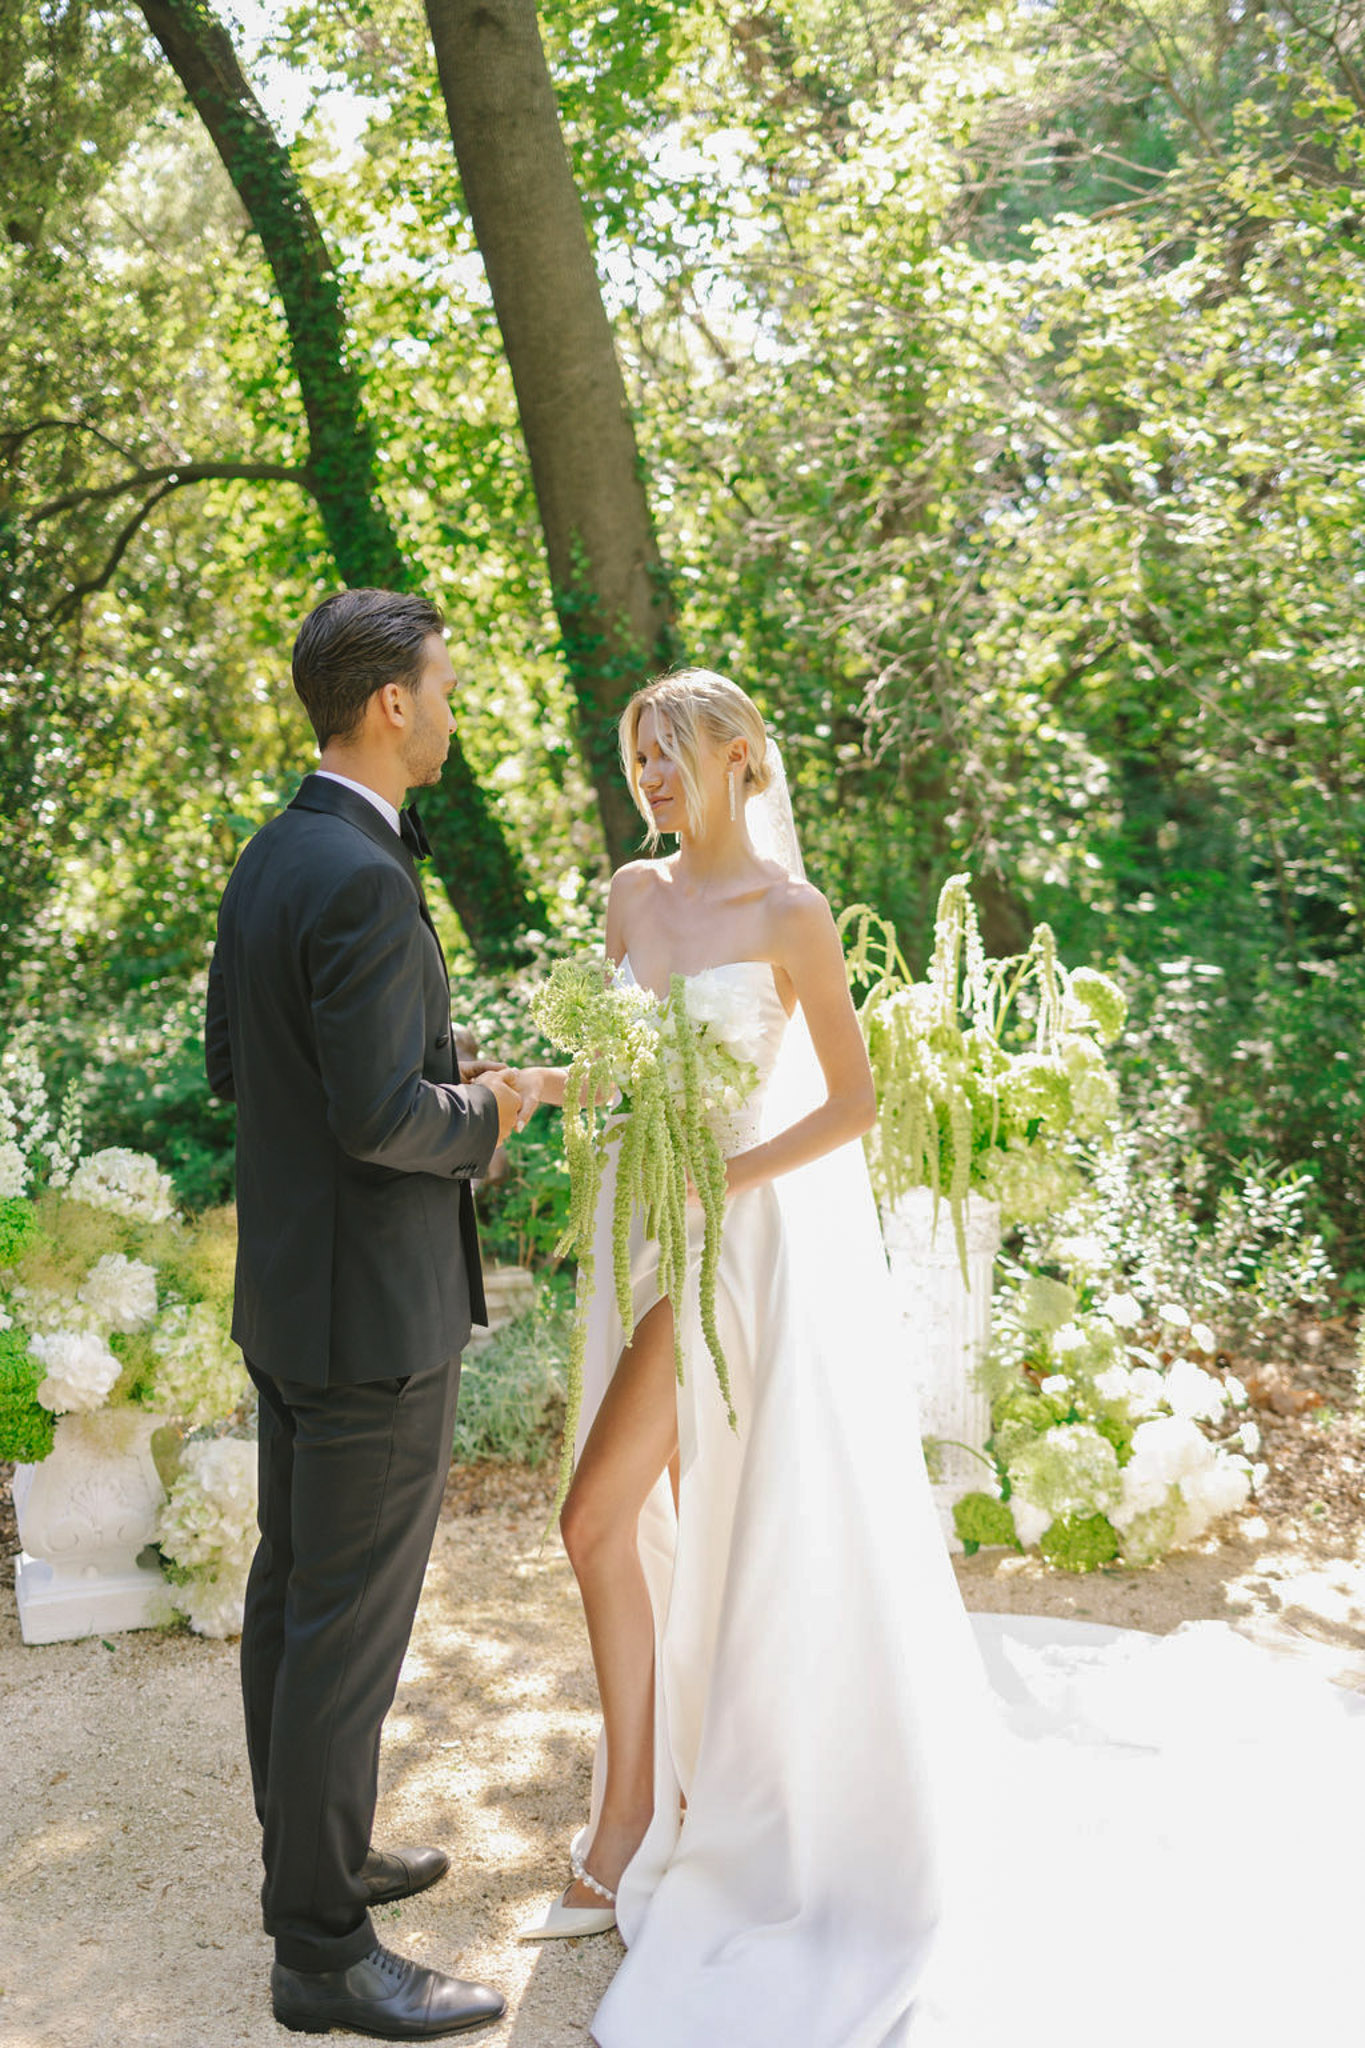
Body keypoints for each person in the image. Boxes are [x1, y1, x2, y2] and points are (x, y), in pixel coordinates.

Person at [512, 669, 1365, 2048]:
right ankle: (650, 1792)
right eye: (635, 757)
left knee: (598, 1515)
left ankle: (647, 1816)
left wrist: (728, 1182)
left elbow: (847, 1104)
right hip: (636, 1232)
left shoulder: (790, 919)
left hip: (732, 1252)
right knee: (629, 1520)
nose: (650, 777)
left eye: (669, 752)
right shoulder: (630, 896)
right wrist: (544, 1088)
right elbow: (613, 1069)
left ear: (743, 758)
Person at [206, 588, 525, 2041]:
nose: (450, 708)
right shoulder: (363, 875)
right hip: (373, 1323)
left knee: (296, 1603)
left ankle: (314, 1859)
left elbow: (244, 1061)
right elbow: (382, 1121)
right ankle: (322, 1952)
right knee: (345, 1631)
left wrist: (426, 1056)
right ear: (389, 702)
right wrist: (491, 1106)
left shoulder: (278, 855)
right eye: (442, 686)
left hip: (291, 1300)